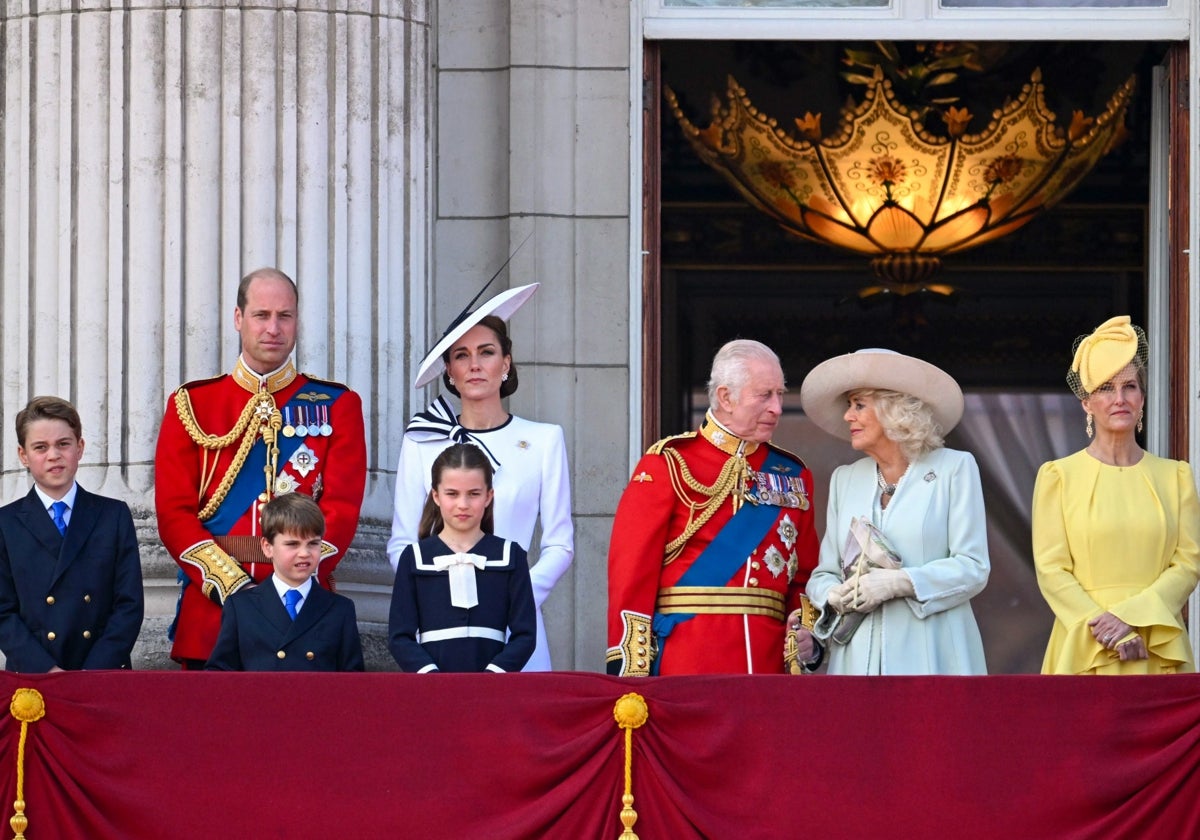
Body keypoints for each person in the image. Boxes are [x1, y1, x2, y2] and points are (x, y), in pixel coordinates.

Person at [155, 267, 367, 668]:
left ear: (297, 322)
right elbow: (173, 513)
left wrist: (290, 582)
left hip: (302, 615)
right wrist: (232, 587)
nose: (273, 327)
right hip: (214, 613)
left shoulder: (337, 405)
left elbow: (341, 510)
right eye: (261, 315)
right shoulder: (192, 404)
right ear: (239, 319)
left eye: (284, 316)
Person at [387, 281, 572, 672]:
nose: (474, 364)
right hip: (438, 631)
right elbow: (402, 542)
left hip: (518, 629)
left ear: (505, 363)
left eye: (486, 352)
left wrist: (512, 598)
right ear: (449, 371)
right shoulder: (422, 440)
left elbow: (560, 545)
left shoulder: (543, 440)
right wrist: (432, 599)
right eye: (461, 355)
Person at [606, 339, 820, 676]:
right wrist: (630, 667)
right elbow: (632, 572)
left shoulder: (792, 474)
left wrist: (806, 638)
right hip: (687, 659)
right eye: (765, 395)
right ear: (725, 397)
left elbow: (807, 575)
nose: (778, 407)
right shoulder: (670, 463)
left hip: (769, 666)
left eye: (780, 394)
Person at [801, 349, 989, 675]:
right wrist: (832, 594)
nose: (848, 416)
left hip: (933, 656)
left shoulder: (954, 468)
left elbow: (973, 567)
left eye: (859, 405)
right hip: (856, 662)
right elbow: (823, 574)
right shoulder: (845, 479)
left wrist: (899, 583)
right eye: (849, 405)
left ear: (895, 411)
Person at [1032, 316, 1200, 674]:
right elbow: (1052, 571)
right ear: (1086, 403)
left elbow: (1188, 565)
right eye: (1106, 388)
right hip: (1083, 644)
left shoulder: (1177, 476)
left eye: (1130, 386)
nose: (1119, 399)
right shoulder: (1057, 477)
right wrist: (1107, 628)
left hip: (1156, 640)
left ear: (1142, 398)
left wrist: (1134, 619)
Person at [0, 397, 144, 672]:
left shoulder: (113, 516)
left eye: (63, 444)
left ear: (79, 448)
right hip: (34, 676)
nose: (54, 455)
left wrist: (92, 673)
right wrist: (47, 671)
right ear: (23, 456)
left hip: (101, 673)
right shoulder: (5, 524)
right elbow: (2, 612)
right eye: (40, 447)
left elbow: (129, 604)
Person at [388, 443, 536, 673]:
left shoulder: (510, 556)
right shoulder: (415, 557)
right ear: (436, 496)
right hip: (432, 690)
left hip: (493, 690)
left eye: (474, 494)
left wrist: (493, 675)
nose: (463, 505)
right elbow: (400, 637)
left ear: (489, 496)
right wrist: (431, 676)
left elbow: (525, 635)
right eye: (452, 494)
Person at [206, 493, 364, 671]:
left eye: (313, 544)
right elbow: (220, 675)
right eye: (292, 544)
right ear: (268, 547)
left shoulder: (339, 609)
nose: (304, 553)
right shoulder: (241, 607)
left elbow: (353, 682)